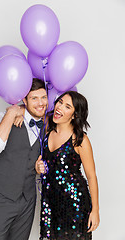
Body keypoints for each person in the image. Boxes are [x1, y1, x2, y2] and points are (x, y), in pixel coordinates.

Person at [0, 78, 48, 240]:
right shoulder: (5, 117)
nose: (41, 103)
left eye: (44, 97)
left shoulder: (49, 125)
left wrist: (40, 166)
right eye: (34, 98)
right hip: (1, 197)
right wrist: (12, 112)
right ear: (24, 100)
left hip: (27, 199)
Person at [36, 91, 100, 240]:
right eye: (60, 102)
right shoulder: (47, 130)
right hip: (50, 202)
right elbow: (45, 164)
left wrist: (95, 210)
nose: (59, 107)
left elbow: (91, 176)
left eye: (67, 106)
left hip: (74, 203)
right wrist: (38, 167)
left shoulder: (80, 140)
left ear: (75, 115)